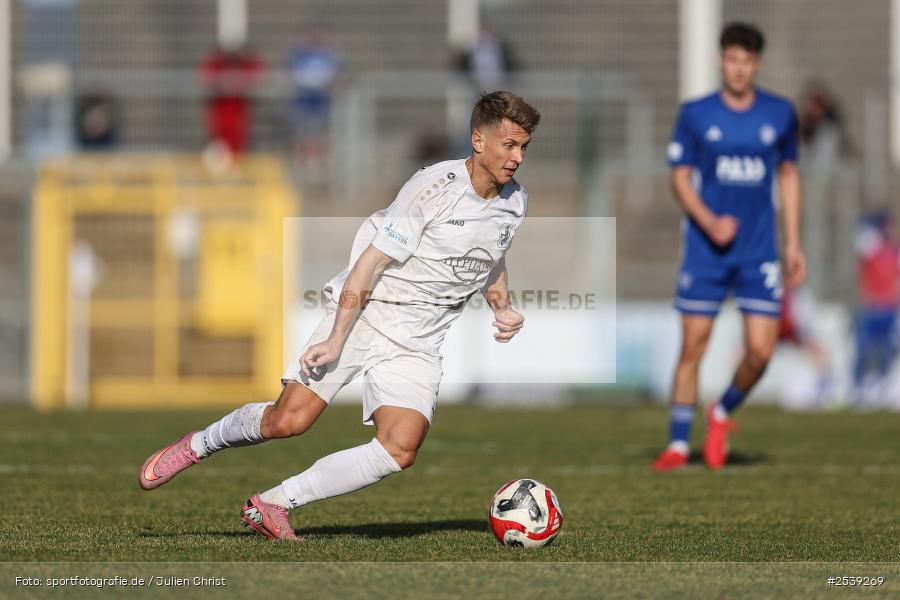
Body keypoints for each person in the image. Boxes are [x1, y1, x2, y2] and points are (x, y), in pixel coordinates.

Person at [138, 91, 540, 540]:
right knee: (287, 422)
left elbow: (491, 257)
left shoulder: (515, 201)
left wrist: (501, 307)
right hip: (365, 316)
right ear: (478, 140)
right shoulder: (432, 189)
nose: (517, 157)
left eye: (524, 146)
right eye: (509, 145)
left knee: (399, 449)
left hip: (420, 341)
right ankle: (199, 444)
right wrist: (335, 338)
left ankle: (272, 504)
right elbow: (369, 264)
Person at [653, 22, 806, 471]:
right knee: (693, 346)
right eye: (732, 59)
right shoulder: (696, 114)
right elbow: (679, 179)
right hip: (706, 250)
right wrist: (708, 220)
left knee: (761, 350)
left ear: (756, 64)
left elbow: (790, 176)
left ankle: (721, 412)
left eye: (747, 61)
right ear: (722, 60)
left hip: (759, 250)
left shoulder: (780, 113)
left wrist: (794, 242)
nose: (738, 68)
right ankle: (679, 446)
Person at [852, 212, 900, 406]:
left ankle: (883, 382)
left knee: (888, 349)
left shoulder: (895, 253)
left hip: (890, 308)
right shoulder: (871, 248)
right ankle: (858, 385)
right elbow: (861, 246)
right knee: (863, 348)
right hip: (872, 307)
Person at [288, 30, 344, 168]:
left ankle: (323, 161)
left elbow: (338, 74)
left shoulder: (330, 55)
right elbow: (291, 74)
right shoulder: (299, 54)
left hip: (322, 102)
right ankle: (304, 161)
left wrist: (330, 83)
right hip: (304, 101)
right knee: (303, 132)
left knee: (322, 131)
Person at [199, 42, 265, 155]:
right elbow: (205, 76)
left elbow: (259, 75)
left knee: (241, 150)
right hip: (220, 120)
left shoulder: (246, 65)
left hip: (240, 121)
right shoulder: (216, 64)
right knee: (219, 152)